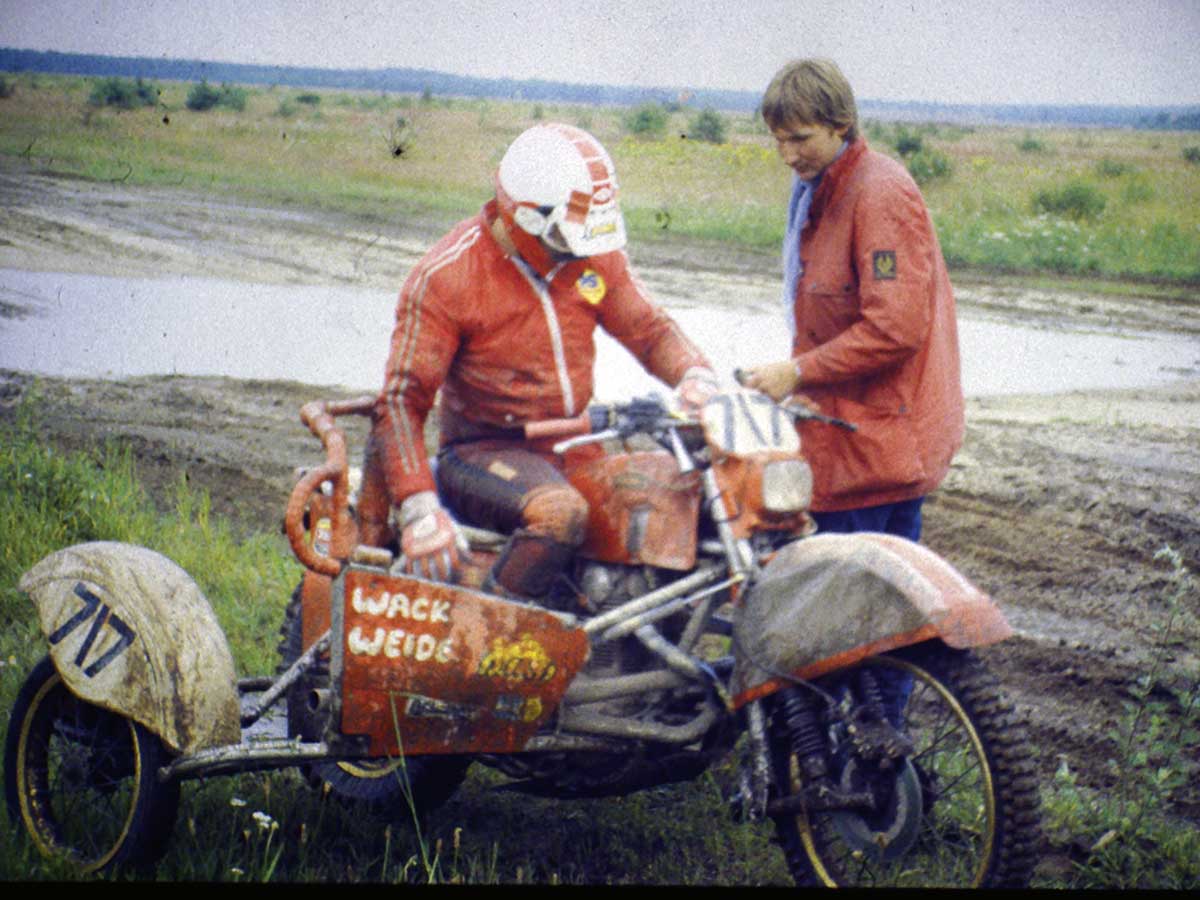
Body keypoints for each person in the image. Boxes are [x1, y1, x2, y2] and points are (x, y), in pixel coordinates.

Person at [357, 123, 717, 602]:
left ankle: (642, 650)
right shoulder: (447, 277)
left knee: (678, 492)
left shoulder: (590, 259)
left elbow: (649, 330)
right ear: (525, 218)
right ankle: (492, 645)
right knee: (559, 513)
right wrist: (420, 508)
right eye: (566, 239)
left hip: (578, 445)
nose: (579, 253)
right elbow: (402, 401)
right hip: (483, 453)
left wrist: (696, 375)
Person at [741, 59, 965, 723]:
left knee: (855, 619)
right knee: (873, 615)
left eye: (800, 138)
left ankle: (856, 772)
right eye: (778, 140)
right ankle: (864, 765)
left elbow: (894, 326)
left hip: (877, 443)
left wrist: (798, 373)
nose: (787, 154)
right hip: (858, 436)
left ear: (841, 124)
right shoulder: (822, 185)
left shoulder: (878, 193)